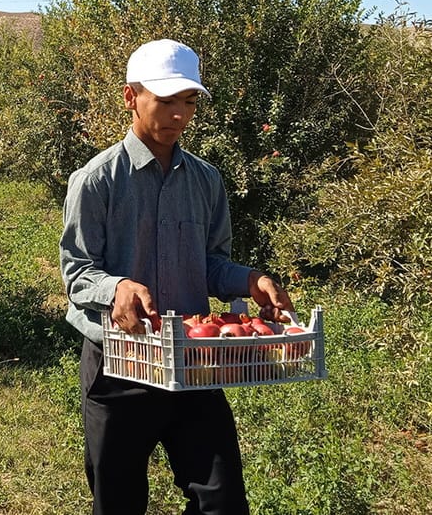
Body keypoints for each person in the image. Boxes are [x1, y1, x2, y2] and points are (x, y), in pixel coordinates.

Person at [59, 38, 296, 515]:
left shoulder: (206, 180)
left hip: (194, 363)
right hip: (120, 365)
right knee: (119, 503)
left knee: (222, 501)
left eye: (188, 102)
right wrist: (118, 288)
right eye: (165, 101)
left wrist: (249, 280)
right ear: (131, 97)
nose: (179, 115)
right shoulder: (97, 180)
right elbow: (77, 271)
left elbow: (209, 263)